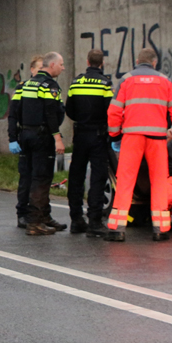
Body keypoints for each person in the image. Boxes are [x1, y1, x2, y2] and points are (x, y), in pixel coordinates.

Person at [106, 47, 172, 242]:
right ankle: (160, 230)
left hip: (131, 137)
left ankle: (118, 229)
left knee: (125, 181)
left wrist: (115, 135)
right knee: (159, 181)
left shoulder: (126, 80)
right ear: (154, 62)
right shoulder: (164, 81)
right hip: (157, 139)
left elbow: (114, 111)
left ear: (137, 61)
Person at [8, 52, 67, 236]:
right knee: (40, 178)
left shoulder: (25, 85)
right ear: (51, 66)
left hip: (26, 135)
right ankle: (34, 221)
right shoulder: (49, 85)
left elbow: (17, 112)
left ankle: (43, 216)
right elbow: (51, 112)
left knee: (32, 177)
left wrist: (15, 136)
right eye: (61, 64)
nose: (63, 68)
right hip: (41, 136)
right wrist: (57, 136)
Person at [65, 49, 114, 237]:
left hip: (80, 134)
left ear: (87, 61)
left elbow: (69, 109)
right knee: (98, 177)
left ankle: (76, 219)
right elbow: (110, 110)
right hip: (98, 135)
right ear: (102, 63)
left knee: (76, 176)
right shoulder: (105, 84)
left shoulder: (76, 82)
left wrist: (81, 120)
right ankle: (94, 221)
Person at [13, 55, 44, 228]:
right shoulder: (22, 88)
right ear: (32, 70)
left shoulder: (47, 87)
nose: (41, 72)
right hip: (26, 136)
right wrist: (12, 138)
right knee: (26, 177)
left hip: (42, 137)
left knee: (40, 177)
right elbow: (13, 114)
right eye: (38, 68)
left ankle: (38, 214)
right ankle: (22, 213)